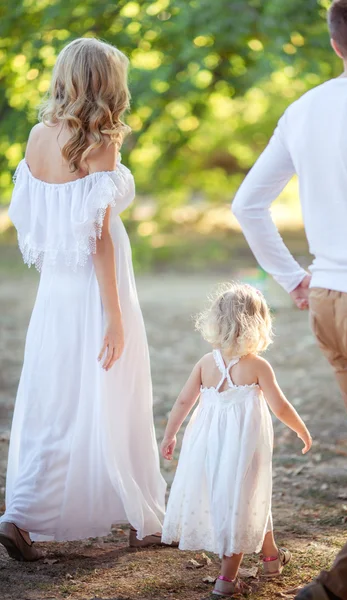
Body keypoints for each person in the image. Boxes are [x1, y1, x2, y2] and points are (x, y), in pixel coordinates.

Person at [231, 0, 347, 598]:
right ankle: (334, 589)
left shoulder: (303, 109)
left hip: (328, 303)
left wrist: (294, 279)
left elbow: (247, 204)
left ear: (334, 44)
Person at [0, 38, 167, 561]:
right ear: (104, 83)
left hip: (57, 290)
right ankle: (142, 519)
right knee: (118, 391)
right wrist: (115, 318)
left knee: (56, 397)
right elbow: (97, 237)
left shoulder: (36, 137)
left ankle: (19, 515)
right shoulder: (100, 142)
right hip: (99, 289)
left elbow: (31, 220)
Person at [160, 282, 312, 597]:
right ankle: (226, 581)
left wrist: (171, 434)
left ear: (216, 322)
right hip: (245, 446)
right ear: (258, 324)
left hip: (209, 446)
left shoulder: (206, 363)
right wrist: (301, 428)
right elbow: (280, 405)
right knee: (241, 504)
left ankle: (271, 558)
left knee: (252, 496)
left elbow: (183, 403)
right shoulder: (257, 366)